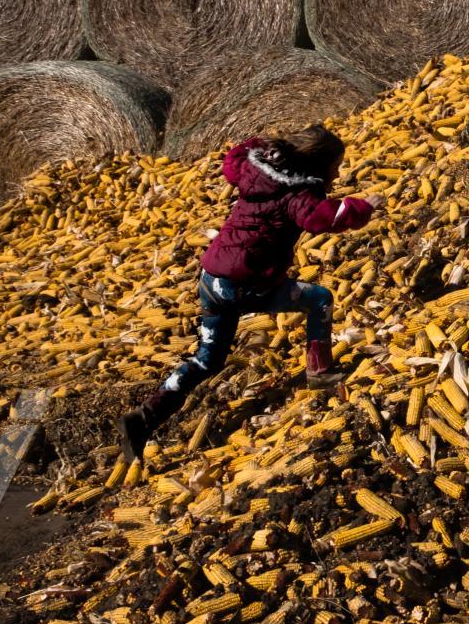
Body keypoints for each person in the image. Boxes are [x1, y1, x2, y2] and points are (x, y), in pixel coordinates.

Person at [117, 125, 376, 463]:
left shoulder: (255, 172)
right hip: (246, 287)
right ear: (319, 166)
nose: (339, 173)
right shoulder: (299, 194)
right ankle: (320, 373)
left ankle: (144, 418)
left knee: (206, 359)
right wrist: (365, 206)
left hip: (212, 280)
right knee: (319, 299)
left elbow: (232, 159)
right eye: (336, 167)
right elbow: (322, 219)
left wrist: (260, 143)